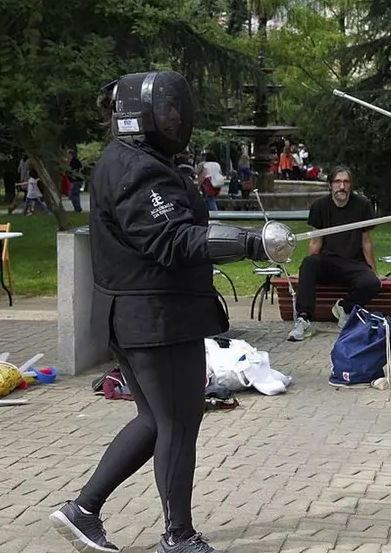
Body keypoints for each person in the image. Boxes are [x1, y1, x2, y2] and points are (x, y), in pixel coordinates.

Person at [47, 70, 270, 553]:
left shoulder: (130, 159)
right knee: (179, 423)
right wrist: (251, 243)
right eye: (166, 108)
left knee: (155, 420)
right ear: (139, 114)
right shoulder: (135, 169)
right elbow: (173, 238)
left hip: (136, 315)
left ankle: (83, 510)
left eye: (175, 108)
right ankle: (179, 536)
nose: (175, 115)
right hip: (155, 319)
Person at [289, 166, 381, 342]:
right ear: (330, 185)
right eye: (338, 182)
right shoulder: (319, 206)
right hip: (328, 262)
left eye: (346, 182)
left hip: (354, 263)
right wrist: (305, 271)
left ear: (351, 185)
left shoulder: (362, 205)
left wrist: (374, 271)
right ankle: (303, 318)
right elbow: (315, 241)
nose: (342, 186)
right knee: (309, 263)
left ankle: (344, 308)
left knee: (373, 283)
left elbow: (366, 241)